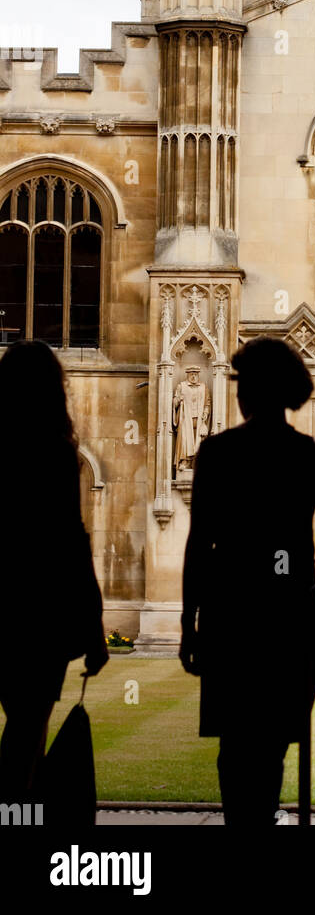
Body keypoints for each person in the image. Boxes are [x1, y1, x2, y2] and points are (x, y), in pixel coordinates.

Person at [180, 336, 315, 827]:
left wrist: (187, 624)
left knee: (235, 746)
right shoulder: (310, 455)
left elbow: (200, 546)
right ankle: (259, 818)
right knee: (273, 744)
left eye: (241, 383)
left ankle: (248, 821)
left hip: (231, 616)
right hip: (290, 617)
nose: (236, 392)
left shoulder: (217, 453)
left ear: (253, 391)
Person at [0, 341, 108, 803]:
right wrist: (94, 625)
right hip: (38, 613)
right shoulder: (54, 452)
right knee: (27, 737)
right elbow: (71, 540)